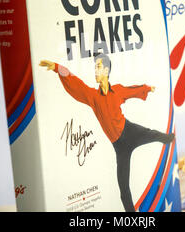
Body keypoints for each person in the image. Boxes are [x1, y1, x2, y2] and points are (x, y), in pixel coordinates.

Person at [40, 53, 175, 212]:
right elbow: (76, 83)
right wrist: (57, 68)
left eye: (98, 67)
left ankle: (169, 139)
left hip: (130, 130)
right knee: (124, 189)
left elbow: (131, 90)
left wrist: (147, 88)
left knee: (153, 134)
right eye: (95, 67)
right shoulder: (93, 97)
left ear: (106, 70)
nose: (95, 71)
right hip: (120, 147)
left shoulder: (117, 90)